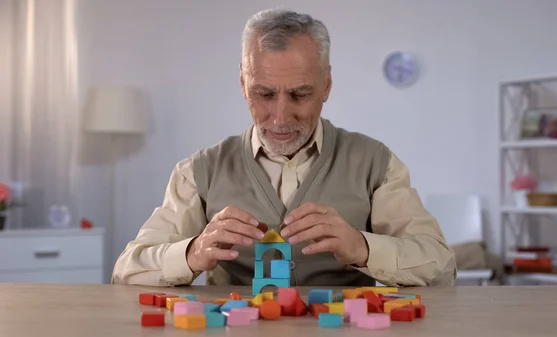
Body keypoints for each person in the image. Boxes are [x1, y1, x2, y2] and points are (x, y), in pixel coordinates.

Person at [112, 8, 456, 288]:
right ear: (243, 85)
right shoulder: (198, 171)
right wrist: (192, 253)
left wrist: (362, 247)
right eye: (264, 94)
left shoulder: (376, 164)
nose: (279, 117)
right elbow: (127, 270)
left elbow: (441, 266)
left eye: (300, 94)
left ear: (327, 85)